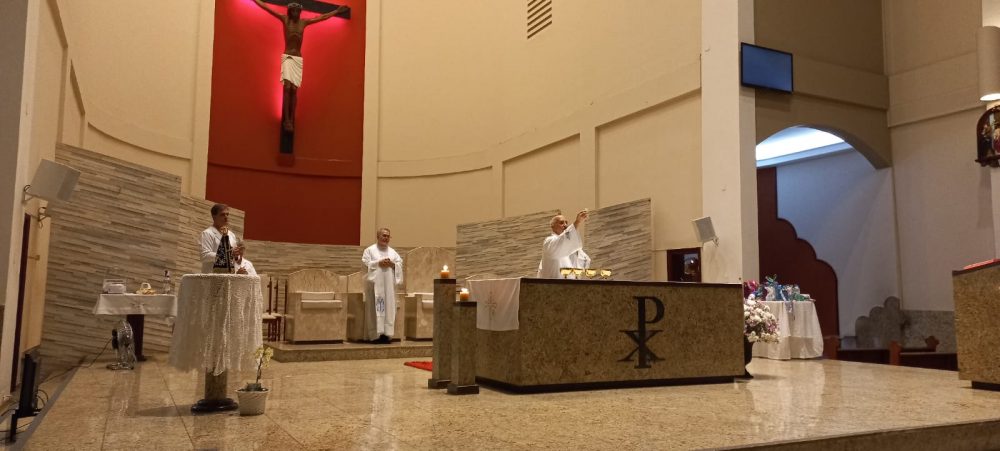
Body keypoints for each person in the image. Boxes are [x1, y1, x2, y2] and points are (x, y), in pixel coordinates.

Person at [251, 0, 348, 133]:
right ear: (290, 12)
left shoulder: (303, 23)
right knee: (287, 88)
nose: (296, 13)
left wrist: (336, 11)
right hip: (288, 57)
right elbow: (267, 8)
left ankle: (291, 119)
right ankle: (286, 119)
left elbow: (322, 17)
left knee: (294, 89)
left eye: (298, 11)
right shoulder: (285, 20)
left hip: (297, 58)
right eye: (294, 11)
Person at [361, 228, 403, 344]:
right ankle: (375, 335)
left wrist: (393, 265)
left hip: (389, 288)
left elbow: (399, 264)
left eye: (388, 236)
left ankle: (386, 334)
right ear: (378, 236)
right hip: (375, 288)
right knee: (375, 309)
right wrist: (378, 263)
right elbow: (365, 265)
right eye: (384, 235)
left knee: (388, 309)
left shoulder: (393, 253)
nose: (386, 238)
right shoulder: (369, 250)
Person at [537, 210, 590, 278]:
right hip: (553, 282)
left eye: (566, 222)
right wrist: (577, 222)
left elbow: (582, 260)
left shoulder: (565, 245)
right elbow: (561, 242)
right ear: (553, 227)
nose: (565, 225)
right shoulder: (549, 242)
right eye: (561, 223)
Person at [199, 204, 240, 273]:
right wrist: (227, 254)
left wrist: (236, 256)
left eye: (227, 214)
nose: (226, 217)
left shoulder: (231, 235)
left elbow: (235, 257)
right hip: (212, 275)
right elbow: (204, 256)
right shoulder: (207, 233)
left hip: (229, 275)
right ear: (214, 217)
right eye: (222, 215)